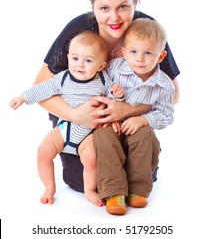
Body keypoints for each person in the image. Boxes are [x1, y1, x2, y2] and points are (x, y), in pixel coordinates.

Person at [32, 0, 180, 204]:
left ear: (136, 1)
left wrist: (129, 110)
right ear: (93, 6)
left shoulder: (146, 31)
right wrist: (76, 115)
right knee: (86, 183)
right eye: (104, 8)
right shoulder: (79, 31)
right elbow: (41, 88)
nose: (114, 17)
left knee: (139, 179)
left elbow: (173, 95)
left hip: (130, 125)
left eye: (123, 6)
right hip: (79, 125)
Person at [9, 31, 125, 206]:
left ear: (101, 66)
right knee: (43, 152)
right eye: (75, 58)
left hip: (88, 134)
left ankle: (89, 190)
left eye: (88, 60)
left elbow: (113, 101)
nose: (80, 65)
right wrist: (23, 98)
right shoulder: (62, 78)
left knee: (91, 160)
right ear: (69, 57)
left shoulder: (103, 79)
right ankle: (49, 187)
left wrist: (118, 95)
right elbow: (43, 89)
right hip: (65, 129)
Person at [94, 17, 175, 215]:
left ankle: (137, 190)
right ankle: (114, 192)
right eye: (133, 52)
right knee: (103, 137)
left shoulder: (164, 85)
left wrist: (144, 119)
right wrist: (112, 98)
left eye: (148, 53)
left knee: (145, 137)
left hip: (139, 127)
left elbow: (166, 114)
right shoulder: (115, 69)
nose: (140, 59)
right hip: (112, 123)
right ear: (124, 52)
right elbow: (99, 90)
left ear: (161, 56)